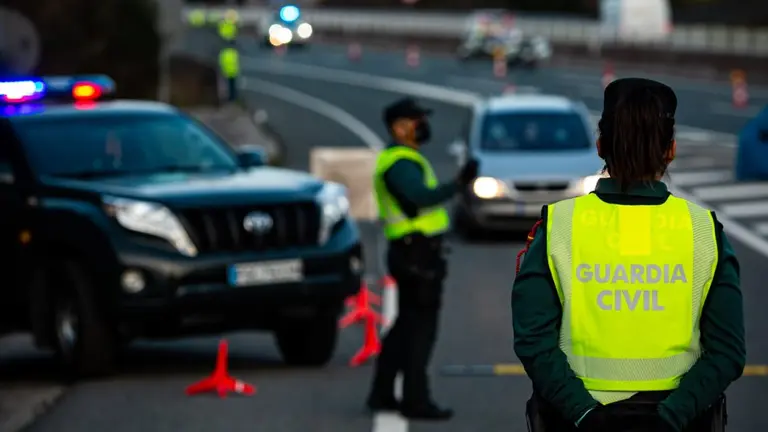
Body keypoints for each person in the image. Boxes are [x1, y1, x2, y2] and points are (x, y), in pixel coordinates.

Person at [512, 78, 746, 432]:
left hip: (574, 421)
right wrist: (672, 417)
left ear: (600, 145)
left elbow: (533, 341)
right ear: (672, 150)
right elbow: (728, 352)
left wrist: (585, 414)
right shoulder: (704, 232)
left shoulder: (558, 226)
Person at [367, 97, 479, 420]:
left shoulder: (403, 158)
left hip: (412, 253)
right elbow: (419, 198)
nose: (423, 126)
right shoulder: (401, 163)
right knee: (420, 331)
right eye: (417, 120)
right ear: (399, 127)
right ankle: (416, 400)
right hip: (416, 255)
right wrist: (458, 184)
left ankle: (383, 393)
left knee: (405, 326)